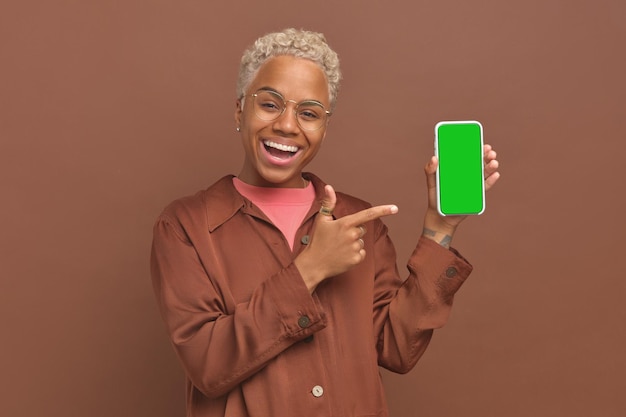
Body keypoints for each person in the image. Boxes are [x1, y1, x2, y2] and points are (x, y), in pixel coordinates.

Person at [151, 28, 500, 417]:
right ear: (239, 110)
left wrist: (441, 228)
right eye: (270, 104)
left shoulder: (361, 223)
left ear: (324, 128)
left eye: (309, 113)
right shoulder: (185, 226)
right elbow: (208, 365)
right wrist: (311, 269)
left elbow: (396, 348)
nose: (287, 125)